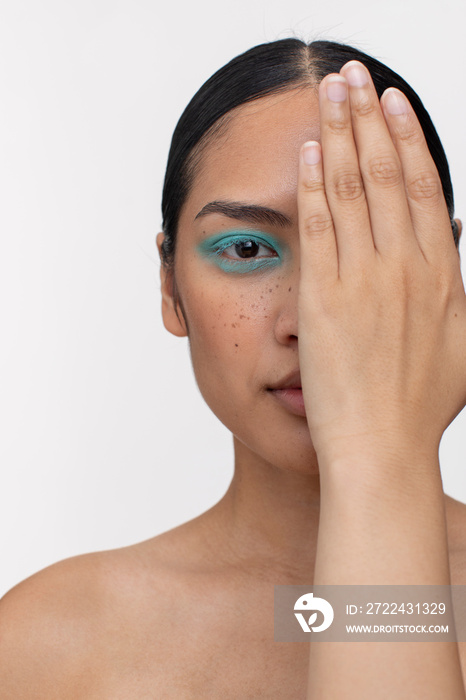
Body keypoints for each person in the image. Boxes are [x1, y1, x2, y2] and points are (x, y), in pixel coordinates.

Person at [1, 37, 466, 698]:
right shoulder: (46, 646)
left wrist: (381, 458)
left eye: (367, 244)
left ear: (444, 280)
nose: (317, 320)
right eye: (248, 247)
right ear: (169, 285)